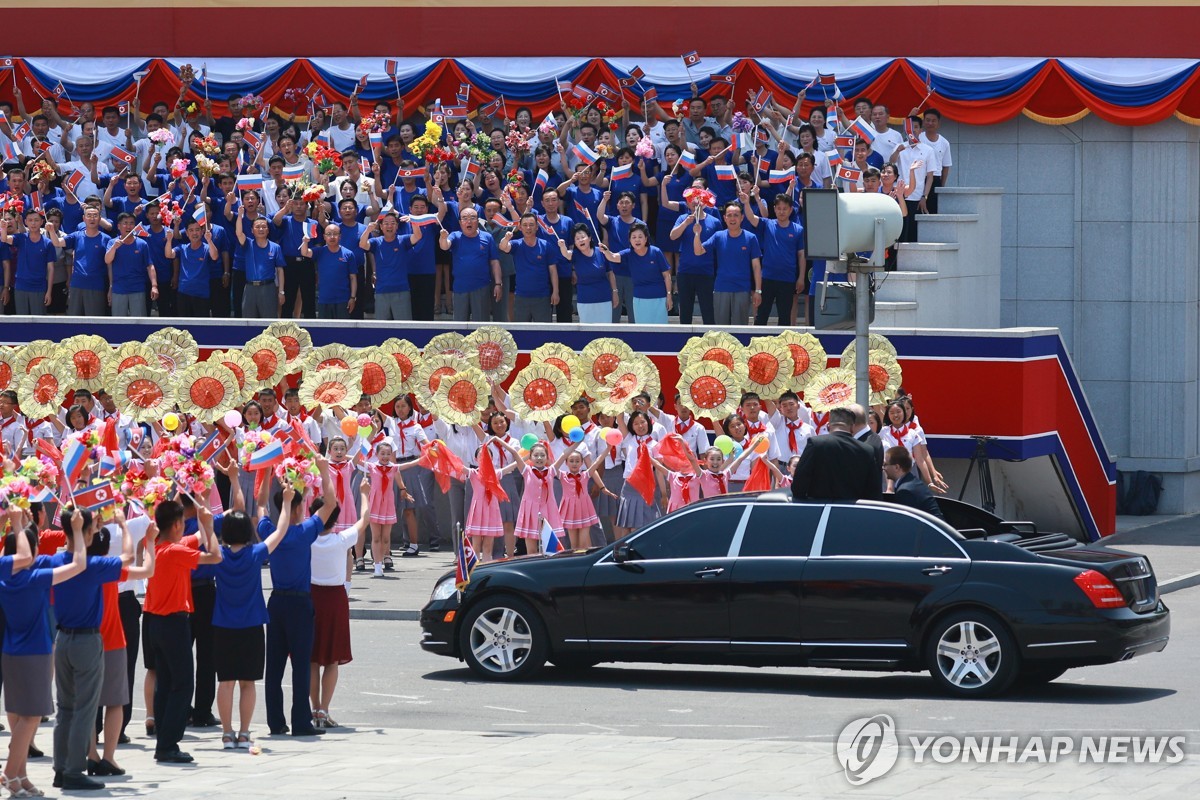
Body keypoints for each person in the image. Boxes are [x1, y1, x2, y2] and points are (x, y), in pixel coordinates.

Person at [211, 481, 295, 751]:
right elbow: (280, 530)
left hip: (223, 626)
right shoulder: (256, 553)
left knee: (225, 682)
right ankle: (245, 733)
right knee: (248, 682)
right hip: (251, 626)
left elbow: (205, 529)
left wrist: (204, 511)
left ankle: (226, 734)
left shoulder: (218, 555)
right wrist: (288, 501)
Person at [142, 499, 222, 764]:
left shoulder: (153, 545)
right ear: (177, 525)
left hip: (154, 622)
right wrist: (210, 529)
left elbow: (195, 537)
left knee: (165, 682)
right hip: (173, 623)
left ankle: (162, 738)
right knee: (183, 684)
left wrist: (203, 519)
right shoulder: (174, 552)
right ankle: (168, 743)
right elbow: (215, 556)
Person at [262, 456, 336, 737]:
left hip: (277, 601)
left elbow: (259, 506)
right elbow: (330, 503)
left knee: (275, 667)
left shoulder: (270, 531)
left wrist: (267, 472)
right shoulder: (304, 532)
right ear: (296, 508)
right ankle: (301, 723)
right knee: (301, 665)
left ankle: (275, 722)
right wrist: (325, 470)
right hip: (300, 603)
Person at [87, 510, 155, 779]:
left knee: (88, 701)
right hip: (112, 639)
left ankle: (90, 755)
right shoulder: (108, 569)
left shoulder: (74, 566)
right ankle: (108, 758)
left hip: (83, 637)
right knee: (114, 700)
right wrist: (139, 536)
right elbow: (144, 567)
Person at [310, 477, 370, 730]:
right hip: (334, 599)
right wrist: (365, 493)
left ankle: (314, 710)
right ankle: (323, 709)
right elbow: (364, 519)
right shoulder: (341, 539)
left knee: (312, 658)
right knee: (332, 659)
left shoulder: (306, 538)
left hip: (310, 598)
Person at [790, 407, 882, 501]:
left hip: (820, 510)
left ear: (828, 425)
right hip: (853, 510)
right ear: (852, 427)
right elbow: (873, 490)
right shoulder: (867, 450)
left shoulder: (815, 444)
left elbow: (799, 483)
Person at [884, 447, 945, 519]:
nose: (883, 468)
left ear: (897, 467)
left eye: (885, 464)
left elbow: (906, 524)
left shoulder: (905, 491)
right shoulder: (912, 482)